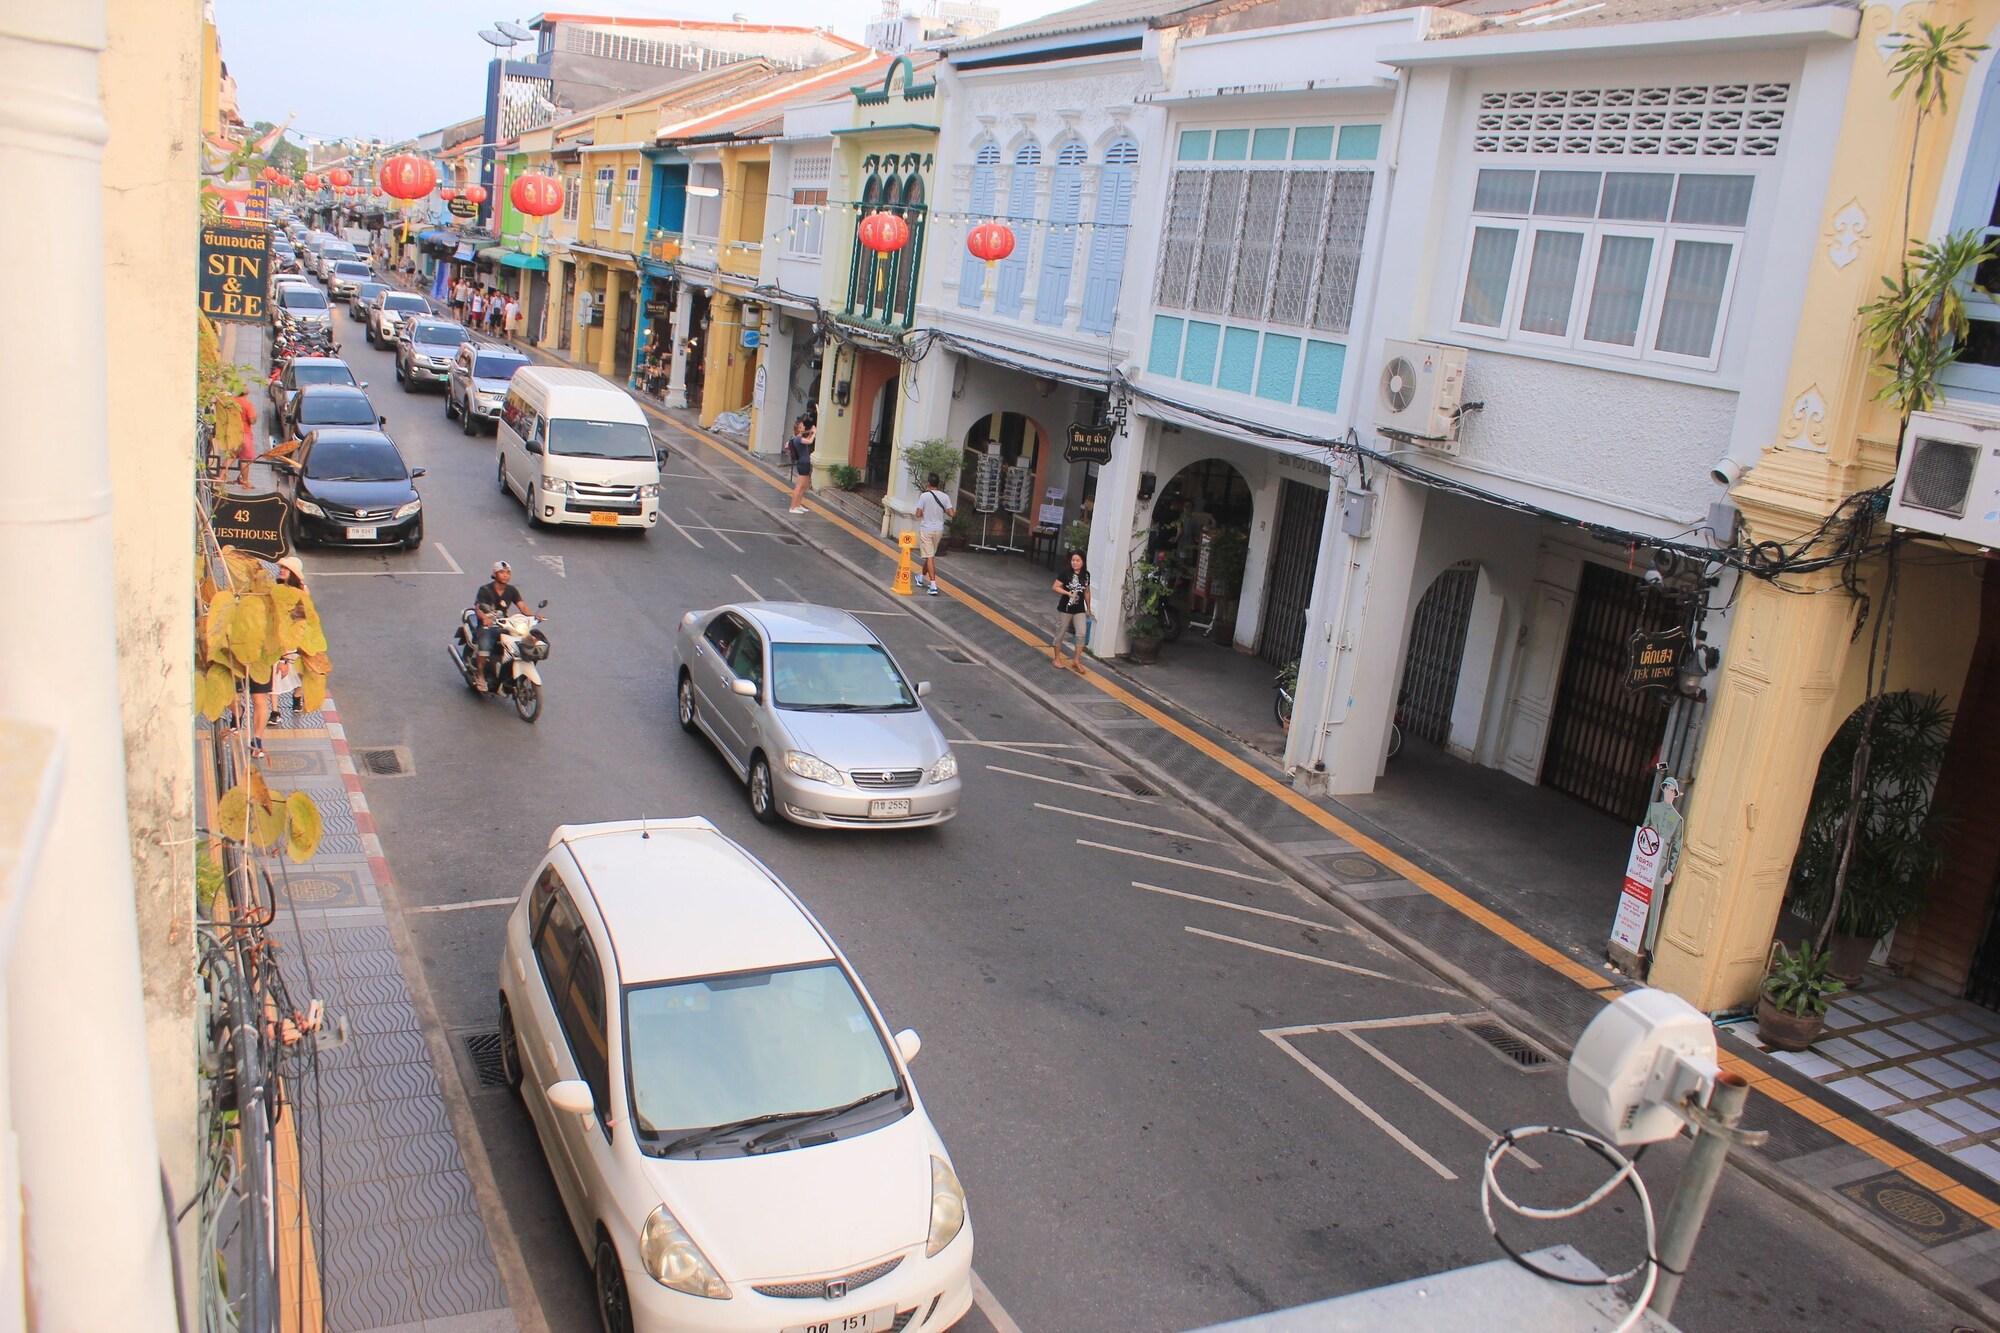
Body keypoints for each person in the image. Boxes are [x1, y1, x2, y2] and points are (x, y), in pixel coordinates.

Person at [471, 560, 530, 692]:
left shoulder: (512, 590)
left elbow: (522, 606)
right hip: (487, 627)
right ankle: (480, 674)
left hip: (503, 625)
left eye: (508, 573)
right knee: (485, 644)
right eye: (502, 572)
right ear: (495, 574)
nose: (505, 575)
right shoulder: (485, 590)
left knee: (519, 643)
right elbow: (478, 608)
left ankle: (507, 675)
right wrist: (485, 618)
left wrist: (532, 617)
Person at [1050, 550, 1092, 674]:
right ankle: (1056, 658)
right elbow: (1055, 587)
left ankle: (1076, 660)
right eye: (1073, 560)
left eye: (1078, 560)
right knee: (1060, 632)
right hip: (1065, 608)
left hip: (1079, 609)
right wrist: (1067, 593)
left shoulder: (1086, 575)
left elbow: (1087, 592)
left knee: (1081, 634)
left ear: (1083, 562)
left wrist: (1088, 608)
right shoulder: (1065, 573)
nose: (1075, 563)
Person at [914, 472, 954, 596]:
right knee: (930, 555)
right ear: (938, 484)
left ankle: (933, 585)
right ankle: (921, 577)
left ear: (928, 483)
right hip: (939, 530)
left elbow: (918, 514)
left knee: (929, 556)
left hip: (927, 529)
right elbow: (952, 513)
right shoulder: (945, 497)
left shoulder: (924, 496)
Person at [232, 389, 259, 488]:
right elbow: (252, 420)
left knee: (230, 456)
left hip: (233, 433)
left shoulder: (232, 401)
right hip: (245, 433)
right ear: (247, 393)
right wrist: (255, 417)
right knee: (245, 459)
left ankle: (221, 477)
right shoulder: (248, 404)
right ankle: (245, 481)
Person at [787, 420, 815, 514]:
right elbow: (810, 441)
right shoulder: (798, 439)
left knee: (804, 486)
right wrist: (814, 433)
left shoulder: (800, 438)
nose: (804, 427)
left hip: (805, 463)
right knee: (799, 486)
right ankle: (793, 507)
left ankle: (798, 505)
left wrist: (811, 433)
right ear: (799, 428)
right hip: (803, 464)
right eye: (802, 426)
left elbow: (808, 439)